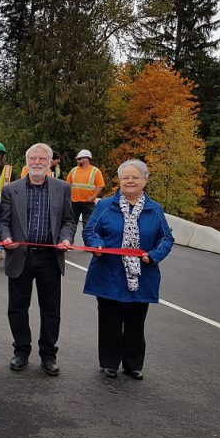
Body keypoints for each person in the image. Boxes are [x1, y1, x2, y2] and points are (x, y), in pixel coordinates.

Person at [82, 159, 174, 380]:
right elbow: (90, 231)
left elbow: (166, 238)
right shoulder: (105, 206)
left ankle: (133, 364)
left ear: (144, 180)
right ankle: (109, 362)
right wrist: (96, 245)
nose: (130, 181)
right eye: (125, 177)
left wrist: (153, 256)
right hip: (108, 273)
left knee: (135, 321)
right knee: (109, 321)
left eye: (135, 177)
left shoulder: (155, 210)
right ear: (119, 181)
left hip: (142, 275)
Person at [0, 143, 76, 376]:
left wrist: (65, 239)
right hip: (20, 257)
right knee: (18, 308)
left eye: (43, 159)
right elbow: (3, 221)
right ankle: (21, 351)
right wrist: (6, 237)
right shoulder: (11, 189)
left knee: (51, 310)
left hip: (50, 258)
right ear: (26, 160)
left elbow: (69, 221)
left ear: (50, 162)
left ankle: (48, 355)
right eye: (33, 158)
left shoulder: (62, 188)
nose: (37, 162)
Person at [66, 149, 104, 241]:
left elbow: (100, 186)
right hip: (74, 201)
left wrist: (93, 197)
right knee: (71, 223)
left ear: (87, 159)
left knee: (88, 224)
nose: (78, 161)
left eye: (80, 159)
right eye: (78, 159)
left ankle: (89, 243)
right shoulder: (74, 170)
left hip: (88, 202)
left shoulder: (95, 171)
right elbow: (67, 184)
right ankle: (69, 243)